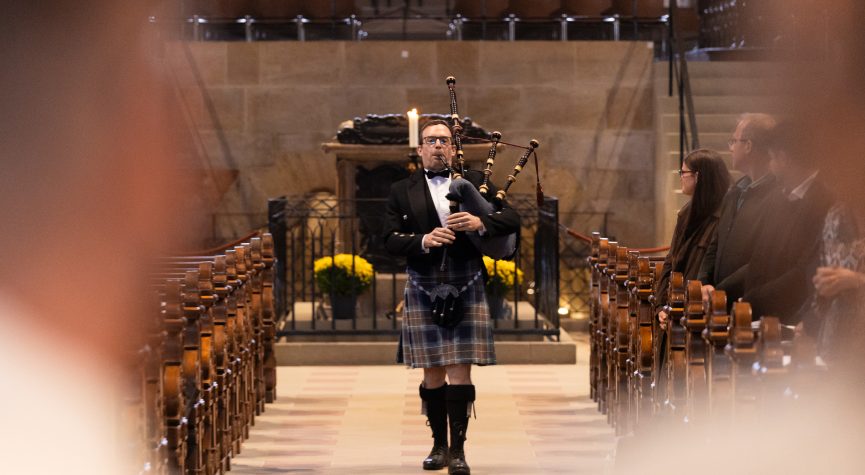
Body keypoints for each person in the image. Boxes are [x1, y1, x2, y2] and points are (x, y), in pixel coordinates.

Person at [383, 119, 520, 475]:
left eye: (444, 140)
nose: (438, 146)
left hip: (466, 280)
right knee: (432, 373)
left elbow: (514, 219)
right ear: (420, 150)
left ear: (453, 148)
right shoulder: (401, 189)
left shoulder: (475, 183)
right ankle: (437, 446)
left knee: (461, 370)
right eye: (431, 140)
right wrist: (424, 241)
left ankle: (458, 451)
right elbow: (386, 240)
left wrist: (481, 223)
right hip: (423, 283)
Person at [741, 120, 834, 323]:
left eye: (772, 159)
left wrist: (752, 301)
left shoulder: (824, 201)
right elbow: (759, 257)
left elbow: (802, 272)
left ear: (784, 159)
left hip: (792, 319)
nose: (770, 166)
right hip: (760, 315)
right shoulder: (777, 197)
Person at [699, 113, 779, 305]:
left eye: (734, 141)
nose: (731, 148)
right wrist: (703, 282)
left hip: (746, 304)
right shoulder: (734, 192)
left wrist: (719, 291)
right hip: (717, 301)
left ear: (749, 146)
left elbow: (761, 260)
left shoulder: (776, 197)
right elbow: (715, 245)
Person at [656, 149, 731, 327]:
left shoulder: (723, 218)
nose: (680, 176)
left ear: (698, 177)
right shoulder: (686, 213)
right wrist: (660, 306)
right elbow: (671, 260)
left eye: (684, 172)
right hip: (676, 305)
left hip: (697, 310)